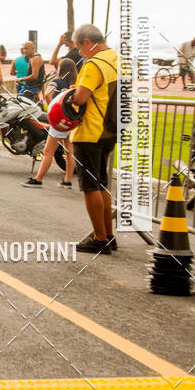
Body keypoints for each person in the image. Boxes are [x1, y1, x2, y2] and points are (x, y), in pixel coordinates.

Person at [69, 24, 118, 254]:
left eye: (80, 47)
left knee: (90, 186)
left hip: (90, 130)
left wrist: (73, 92)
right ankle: (108, 234)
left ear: (88, 42)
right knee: (103, 184)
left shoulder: (93, 63)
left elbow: (80, 98)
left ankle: (99, 238)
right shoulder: (117, 59)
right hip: (110, 129)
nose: (80, 53)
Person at [22, 58, 78, 189]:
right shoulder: (75, 83)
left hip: (59, 120)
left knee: (48, 151)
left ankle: (38, 179)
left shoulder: (57, 81)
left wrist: (51, 106)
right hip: (70, 121)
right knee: (70, 151)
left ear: (61, 68)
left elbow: (47, 94)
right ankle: (67, 180)